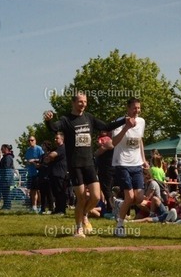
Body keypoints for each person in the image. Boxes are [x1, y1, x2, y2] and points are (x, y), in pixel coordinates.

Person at [44, 91, 132, 237]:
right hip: (75, 164)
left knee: (96, 196)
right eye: (80, 101)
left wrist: (124, 120)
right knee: (81, 198)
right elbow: (53, 128)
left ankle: (84, 214)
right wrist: (48, 121)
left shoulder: (89, 117)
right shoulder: (66, 120)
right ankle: (78, 229)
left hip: (89, 162)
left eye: (85, 101)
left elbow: (107, 126)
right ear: (73, 103)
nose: (83, 104)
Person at [111, 97, 147, 237]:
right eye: (134, 108)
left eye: (139, 108)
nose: (137, 110)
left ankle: (121, 205)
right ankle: (119, 226)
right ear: (128, 109)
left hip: (136, 163)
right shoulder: (119, 122)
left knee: (139, 198)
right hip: (122, 163)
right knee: (130, 196)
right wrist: (126, 127)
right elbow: (114, 142)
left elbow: (140, 141)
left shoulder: (142, 121)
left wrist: (143, 159)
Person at [45, 132, 68, 214]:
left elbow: (51, 155)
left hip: (60, 173)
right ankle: (57, 209)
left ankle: (62, 210)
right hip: (53, 173)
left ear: (62, 139)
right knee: (55, 193)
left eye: (57, 138)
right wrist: (50, 157)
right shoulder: (56, 148)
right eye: (55, 138)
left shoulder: (62, 148)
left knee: (60, 192)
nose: (55, 140)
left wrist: (50, 157)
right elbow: (46, 159)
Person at [94, 131, 115, 218]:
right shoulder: (105, 139)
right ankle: (110, 208)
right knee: (106, 189)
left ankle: (111, 209)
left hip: (107, 168)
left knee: (107, 189)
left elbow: (98, 152)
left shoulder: (110, 140)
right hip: (103, 168)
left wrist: (96, 152)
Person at [24, 136, 44, 213]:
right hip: (30, 173)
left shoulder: (39, 149)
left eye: (32, 140)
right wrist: (27, 162)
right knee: (32, 190)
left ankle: (40, 205)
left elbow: (42, 159)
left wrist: (34, 160)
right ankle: (33, 206)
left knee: (38, 190)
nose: (30, 142)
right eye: (29, 140)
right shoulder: (28, 150)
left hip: (38, 172)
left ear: (35, 141)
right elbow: (26, 160)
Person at [36, 141, 53, 214]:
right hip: (41, 176)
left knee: (49, 193)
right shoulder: (42, 156)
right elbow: (39, 165)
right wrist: (37, 165)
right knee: (42, 194)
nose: (42, 147)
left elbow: (49, 165)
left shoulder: (51, 154)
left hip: (48, 176)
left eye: (43, 145)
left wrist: (42, 165)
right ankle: (42, 208)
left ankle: (51, 208)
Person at [0, 144, 15, 210]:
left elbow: (6, 167)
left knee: (6, 192)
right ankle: (5, 205)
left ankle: (7, 206)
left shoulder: (8, 157)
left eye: (2, 148)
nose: (1, 150)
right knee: (4, 192)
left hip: (7, 178)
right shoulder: (5, 157)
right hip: (4, 177)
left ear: (6, 149)